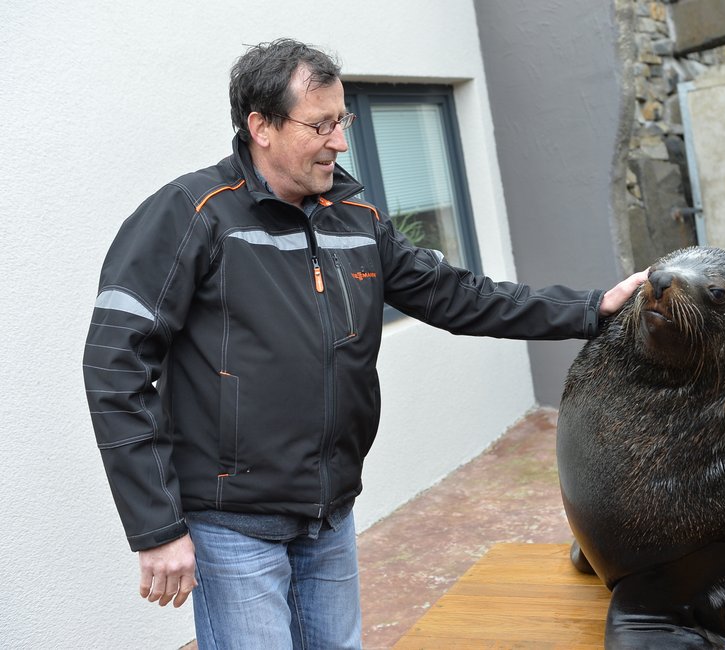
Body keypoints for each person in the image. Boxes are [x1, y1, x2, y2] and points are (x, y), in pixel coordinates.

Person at [83, 38, 646, 649]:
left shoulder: (353, 216)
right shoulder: (193, 213)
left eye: (342, 119)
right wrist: (157, 527)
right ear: (260, 127)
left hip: (329, 513)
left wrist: (591, 309)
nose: (341, 141)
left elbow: (460, 295)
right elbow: (114, 366)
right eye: (321, 124)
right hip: (232, 524)